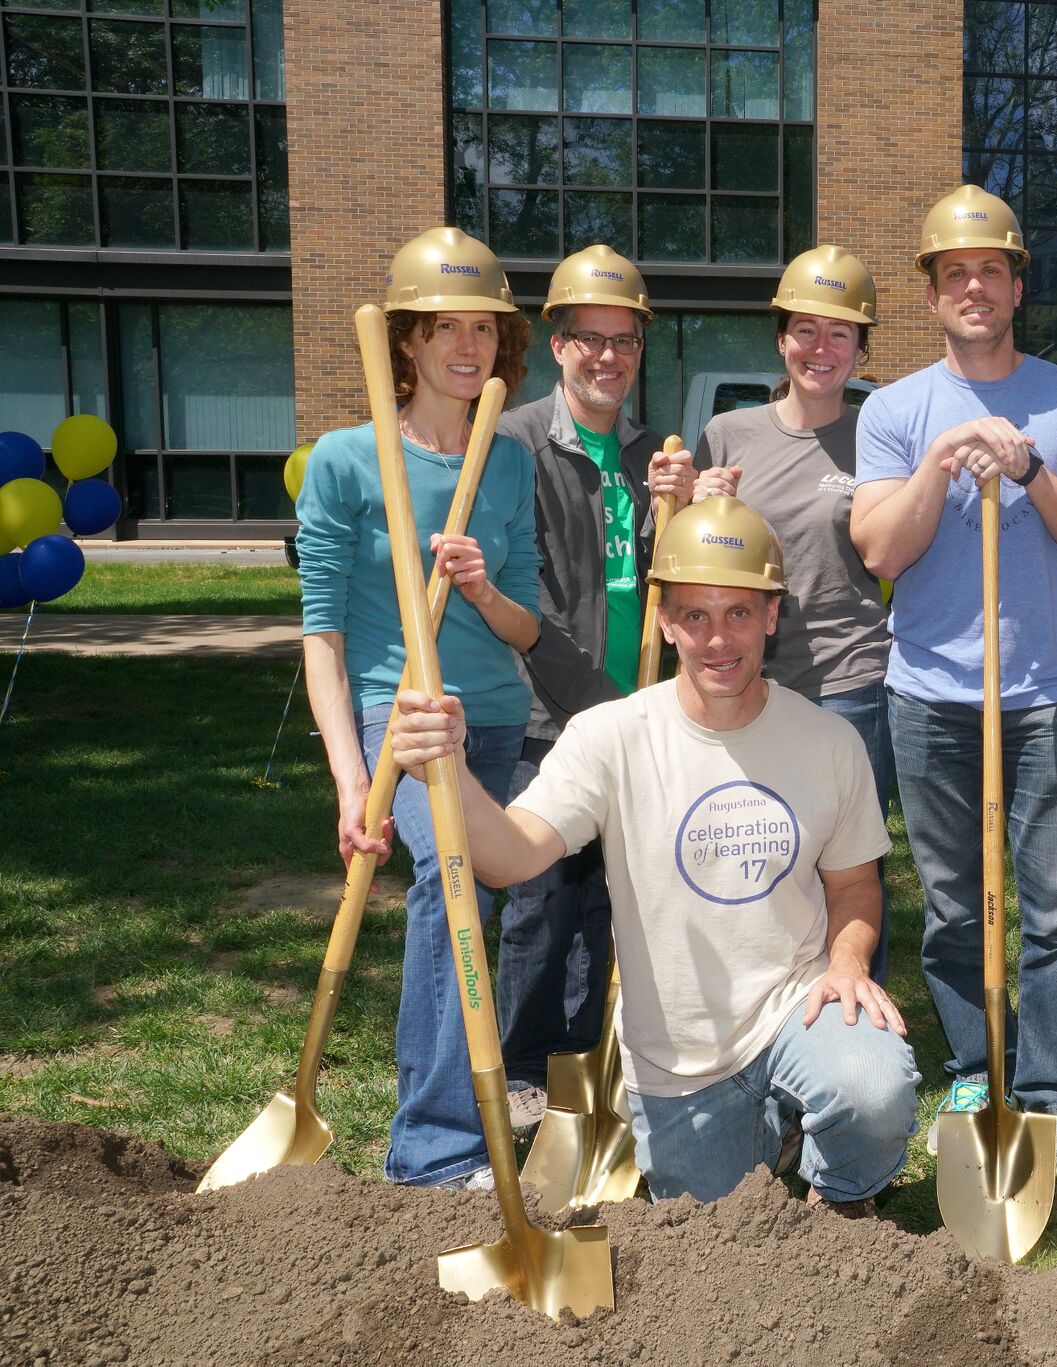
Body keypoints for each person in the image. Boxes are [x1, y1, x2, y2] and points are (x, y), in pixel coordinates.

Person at [385, 498, 918, 1212]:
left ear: (771, 614)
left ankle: (844, 1190)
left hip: (796, 1007)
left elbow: (855, 884)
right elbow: (508, 857)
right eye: (694, 615)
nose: (717, 638)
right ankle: (774, 1134)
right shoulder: (611, 736)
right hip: (678, 1059)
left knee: (873, 1088)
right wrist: (446, 767)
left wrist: (848, 963)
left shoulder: (828, 741)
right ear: (665, 621)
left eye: (737, 612)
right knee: (712, 1236)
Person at [850, 185, 1057, 1202]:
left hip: (1045, 691)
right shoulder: (892, 410)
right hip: (929, 693)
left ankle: (1056, 1101)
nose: (973, 287)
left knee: (1056, 908)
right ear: (931, 292)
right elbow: (880, 545)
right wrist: (936, 462)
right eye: (952, 273)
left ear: (1018, 283)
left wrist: (1030, 469)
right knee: (957, 909)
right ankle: (977, 1079)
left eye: (990, 270)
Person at [294, 226, 539, 1190]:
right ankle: (435, 1146)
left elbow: (525, 628)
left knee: (473, 898)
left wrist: (481, 588)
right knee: (452, 897)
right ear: (404, 341)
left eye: (482, 328)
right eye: (444, 328)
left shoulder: (504, 459)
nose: (468, 348)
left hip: (494, 720)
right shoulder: (347, 462)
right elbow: (323, 636)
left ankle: (450, 1126)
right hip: (399, 717)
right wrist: (354, 781)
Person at [495, 243, 681, 1128]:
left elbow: (666, 586)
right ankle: (520, 1064)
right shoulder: (516, 445)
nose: (609, 357)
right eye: (590, 339)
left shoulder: (651, 452)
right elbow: (521, 595)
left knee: (608, 893)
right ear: (557, 343)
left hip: (629, 707)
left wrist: (681, 511)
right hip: (548, 712)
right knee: (540, 897)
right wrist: (603, 707)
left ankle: (581, 1057)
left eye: (625, 341)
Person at [684, 245, 893, 979]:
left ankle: (851, 999)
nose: (821, 348)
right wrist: (692, 502)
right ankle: (761, 995)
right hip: (745, 676)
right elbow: (696, 556)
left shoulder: (880, 434)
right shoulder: (730, 435)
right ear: (781, 338)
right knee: (754, 847)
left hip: (851, 675)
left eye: (841, 334)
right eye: (806, 329)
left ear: (861, 347)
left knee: (847, 854)